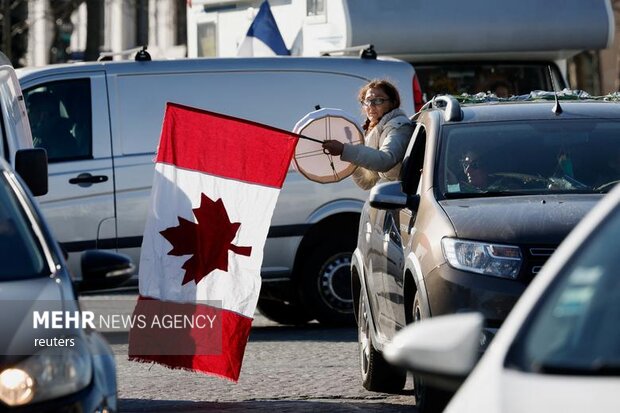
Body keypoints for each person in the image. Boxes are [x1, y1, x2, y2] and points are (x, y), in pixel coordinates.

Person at [322, 80, 414, 190]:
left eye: (378, 100)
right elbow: (366, 183)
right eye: (368, 101)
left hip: (402, 196)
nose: (371, 105)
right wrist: (346, 151)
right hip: (388, 195)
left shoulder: (399, 126)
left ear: (393, 103)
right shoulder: (370, 130)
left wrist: (344, 150)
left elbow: (385, 160)